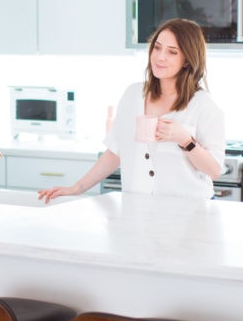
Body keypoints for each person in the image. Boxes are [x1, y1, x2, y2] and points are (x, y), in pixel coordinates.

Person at [38, 19, 224, 203]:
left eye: (172, 52)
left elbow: (214, 170)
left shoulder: (203, 106)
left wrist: (185, 140)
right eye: (157, 47)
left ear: (187, 60)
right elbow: (115, 151)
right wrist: (76, 188)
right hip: (139, 212)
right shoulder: (133, 95)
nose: (160, 57)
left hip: (191, 215)